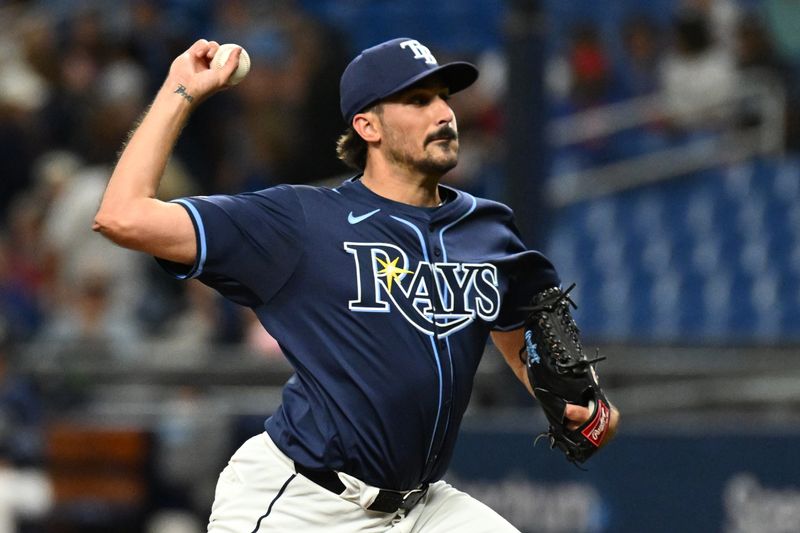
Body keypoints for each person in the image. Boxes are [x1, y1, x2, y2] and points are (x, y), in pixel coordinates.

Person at [93, 36, 619, 532]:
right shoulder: (300, 221)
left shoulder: (488, 229)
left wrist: (581, 405)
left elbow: (517, 335)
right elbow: (123, 216)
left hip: (423, 506)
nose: (443, 113)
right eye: (417, 100)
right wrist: (180, 90)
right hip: (302, 501)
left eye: (443, 97)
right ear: (367, 126)